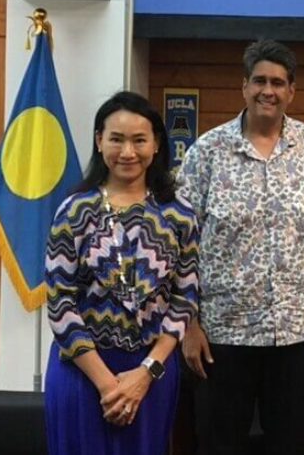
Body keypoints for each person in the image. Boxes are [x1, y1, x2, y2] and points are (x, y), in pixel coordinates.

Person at [177, 39, 304, 455]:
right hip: (222, 333)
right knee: (221, 443)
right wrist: (190, 323)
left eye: (278, 82)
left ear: (292, 90)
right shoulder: (208, 150)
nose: (267, 90)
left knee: (287, 442)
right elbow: (180, 241)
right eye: (259, 80)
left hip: (294, 333)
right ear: (244, 86)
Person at [44, 91, 200, 455]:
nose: (127, 151)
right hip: (82, 370)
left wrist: (146, 374)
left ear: (156, 144)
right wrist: (107, 385)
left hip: (151, 368)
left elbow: (184, 296)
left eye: (139, 140)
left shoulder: (179, 214)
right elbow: (59, 302)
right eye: (116, 139)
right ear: (99, 141)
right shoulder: (74, 211)